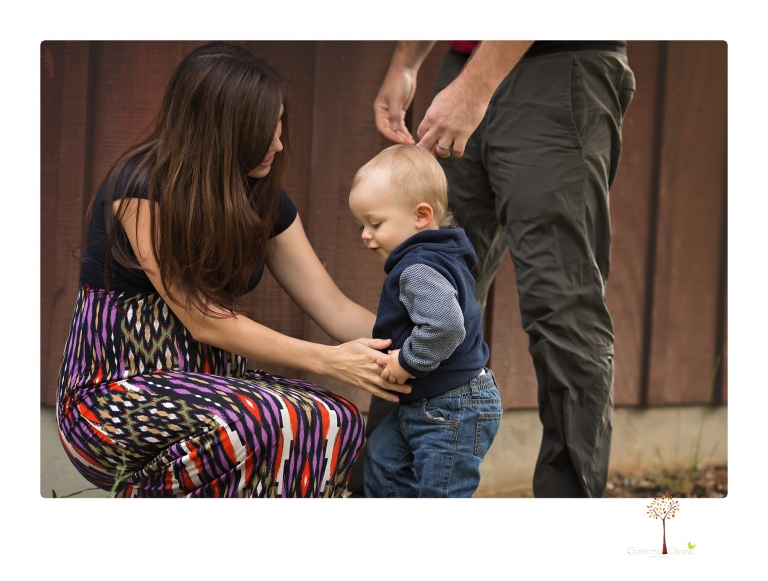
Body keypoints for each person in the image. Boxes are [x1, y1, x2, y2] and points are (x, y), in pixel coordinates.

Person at [56, 42, 411, 498]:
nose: (279, 142)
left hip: (217, 388)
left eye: (280, 122)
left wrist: (429, 342)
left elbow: (333, 307)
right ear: (220, 130)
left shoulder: (264, 201)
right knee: (261, 420)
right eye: (263, 129)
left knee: (336, 419)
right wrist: (328, 360)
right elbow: (200, 317)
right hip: (114, 396)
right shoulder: (139, 188)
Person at [354, 41, 636, 498]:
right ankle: (384, 500)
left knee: (561, 305)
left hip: (556, 58)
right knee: (419, 286)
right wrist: (407, 61)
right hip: (462, 64)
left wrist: (478, 85)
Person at [348, 144, 502, 497]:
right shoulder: (440, 256)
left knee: (441, 492)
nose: (364, 235)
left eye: (375, 223)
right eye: (361, 225)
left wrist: (407, 360)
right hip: (431, 401)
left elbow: (446, 325)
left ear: (421, 216)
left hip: (452, 406)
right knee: (384, 461)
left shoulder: (418, 267)